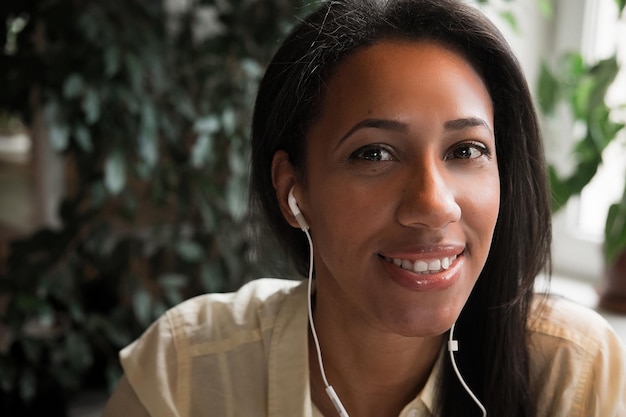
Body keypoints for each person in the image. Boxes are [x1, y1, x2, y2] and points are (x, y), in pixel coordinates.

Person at [102, 0, 626, 416]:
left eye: (466, 150)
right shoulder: (188, 371)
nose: (433, 205)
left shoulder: (573, 371)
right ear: (294, 190)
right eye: (374, 153)